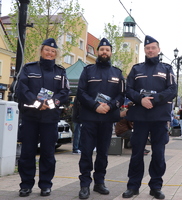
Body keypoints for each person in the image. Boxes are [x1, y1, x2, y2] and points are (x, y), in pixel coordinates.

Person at [122, 35, 177, 199]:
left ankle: (156, 187)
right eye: (147, 48)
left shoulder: (167, 69)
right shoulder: (136, 69)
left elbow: (172, 89)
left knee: (159, 154)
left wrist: (155, 100)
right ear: (144, 50)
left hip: (160, 117)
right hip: (141, 117)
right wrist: (141, 100)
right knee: (137, 153)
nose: (150, 50)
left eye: (153, 47)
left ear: (159, 50)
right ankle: (133, 187)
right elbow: (128, 89)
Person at [16, 38, 70, 197]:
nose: (50, 53)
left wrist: (52, 103)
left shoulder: (60, 72)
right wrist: (36, 102)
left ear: (56, 54)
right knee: (27, 153)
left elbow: (65, 92)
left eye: (53, 51)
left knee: (47, 153)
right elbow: (21, 89)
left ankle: (46, 185)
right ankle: (26, 185)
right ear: (41, 51)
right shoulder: (28, 68)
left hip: (50, 119)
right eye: (47, 50)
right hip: (30, 117)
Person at [76, 38, 125, 199]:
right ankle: (84, 185)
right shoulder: (88, 70)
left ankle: (99, 182)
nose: (104, 52)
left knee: (103, 153)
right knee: (86, 152)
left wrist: (110, 106)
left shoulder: (117, 73)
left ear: (111, 53)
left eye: (107, 50)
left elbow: (121, 95)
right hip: (90, 117)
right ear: (97, 51)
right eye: (102, 49)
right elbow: (81, 92)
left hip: (107, 118)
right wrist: (95, 105)